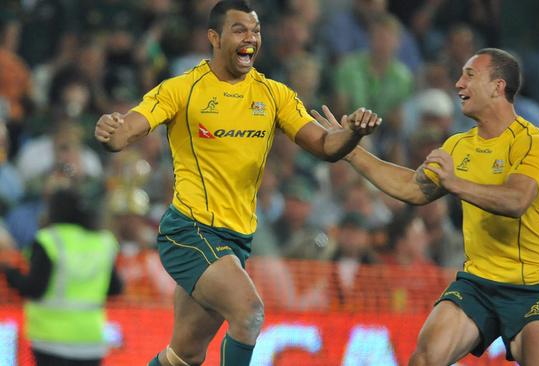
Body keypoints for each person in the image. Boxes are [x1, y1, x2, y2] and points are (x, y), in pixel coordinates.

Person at [93, 1, 381, 365]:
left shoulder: (273, 95)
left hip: (237, 239)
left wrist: (353, 133)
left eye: (256, 31)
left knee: (184, 356)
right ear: (214, 37)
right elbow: (127, 131)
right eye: (240, 30)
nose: (251, 38)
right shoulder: (182, 89)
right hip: (189, 231)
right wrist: (111, 133)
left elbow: (325, 145)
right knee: (249, 312)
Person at [317, 48, 539, 365]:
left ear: (497, 86)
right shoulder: (458, 145)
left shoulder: (531, 141)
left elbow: (516, 201)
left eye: (470, 75)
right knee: (424, 358)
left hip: (534, 287)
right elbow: (411, 187)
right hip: (478, 283)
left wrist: (454, 183)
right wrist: (350, 150)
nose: (459, 84)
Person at [0, 188, 122, 366]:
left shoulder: (49, 240)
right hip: (90, 342)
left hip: (51, 341)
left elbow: (34, 289)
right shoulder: (102, 242)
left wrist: (9, 272)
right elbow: (115, 288)